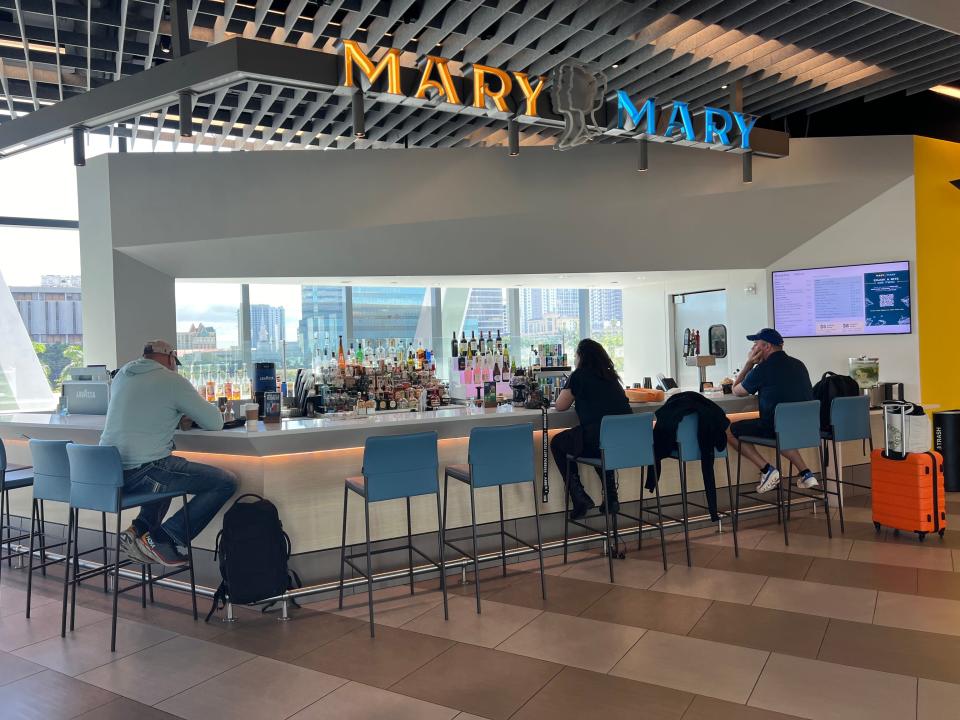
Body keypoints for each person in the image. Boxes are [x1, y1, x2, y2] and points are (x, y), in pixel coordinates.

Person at [100, 340, 237, 566]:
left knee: (168, 468)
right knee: (224, 482)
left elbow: (142, 413)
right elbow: (215, 422)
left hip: (110, 474)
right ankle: (163, 538)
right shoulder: (171, 380)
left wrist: (173, 414)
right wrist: (184, 413)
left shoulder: (122, 375)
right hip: (145, 472)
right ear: (170, 358)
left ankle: (139, 530)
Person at [727, 328, 820, 493]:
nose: (753, 349)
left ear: (766, 347)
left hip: (775, 428)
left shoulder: (763, 369)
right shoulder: (799, 364)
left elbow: (736, 390)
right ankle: (806, 473)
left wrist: (749, 364)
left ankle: (767, 470)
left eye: (755, 345)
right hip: (805, 428)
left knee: (728, 429)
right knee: (783, 429)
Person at [550, 339, 632, 519]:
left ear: (581, 357)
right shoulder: (611, 376)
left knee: (558, 442)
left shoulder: (578, 375)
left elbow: (560, 405)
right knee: (601, 442)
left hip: (599, 442)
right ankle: (611, 496)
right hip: (625, 444)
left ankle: (578, 497)